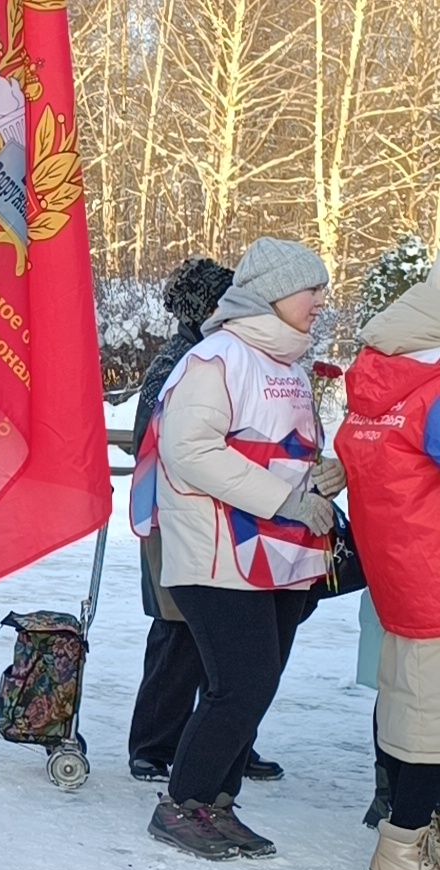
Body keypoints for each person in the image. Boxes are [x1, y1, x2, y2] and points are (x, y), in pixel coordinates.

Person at [131, 237, 336, 861]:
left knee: (258, 683)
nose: (322, 304)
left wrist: (326, 474)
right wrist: (285, 497)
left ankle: (215, 803)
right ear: (273, 293)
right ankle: (182, 803)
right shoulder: (217, 357)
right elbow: (189, 451)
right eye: (314, 291)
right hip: (220, 550)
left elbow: (285, 446)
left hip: (279, 552)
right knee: (239, 686)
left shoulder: (288, 364)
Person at [127, 259, 286, 784]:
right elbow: (161, 444)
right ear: (201, 309)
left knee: (228, 645)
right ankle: (153, 743)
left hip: (237, 515)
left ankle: (230, 744)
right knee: (178, 634)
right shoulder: (182, 362)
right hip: (174, 517)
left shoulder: (237, 357)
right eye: (220, 302)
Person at [337, 263, 440, 870]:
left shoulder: (377, 392)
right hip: (433, 574)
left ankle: (409, 839)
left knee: (409, 711)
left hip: (399, 578)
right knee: (430, 724)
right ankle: (401, 850)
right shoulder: (431, 396)